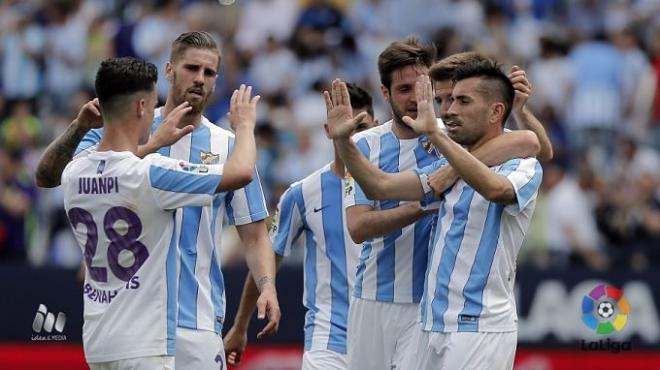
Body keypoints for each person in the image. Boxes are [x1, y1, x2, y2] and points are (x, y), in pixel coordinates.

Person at [34, 32, 280, 370]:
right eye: (191, 68)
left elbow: (254, 234)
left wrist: (267, 286)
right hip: (134, 320)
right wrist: (82, 127)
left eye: (208, 73)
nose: (199, 79)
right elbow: (49, 175)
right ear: (169, 70)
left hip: (197, 320)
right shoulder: (123, 128)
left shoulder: (226, 145)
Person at [339, 38, 543, 370]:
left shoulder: (520, 164)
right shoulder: (442, 162)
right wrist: (342, 143)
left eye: (461, 101)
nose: (448, 110)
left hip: (481, 323)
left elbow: (503, 178)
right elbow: (380, 185)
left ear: (495, 111)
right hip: (432, 320)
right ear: (385, 92)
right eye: (445, 100)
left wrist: (436, 139)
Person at [223, 83, 378, 368]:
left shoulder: (397, 188)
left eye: (361, 126)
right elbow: (267, 257)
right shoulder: (303, 193)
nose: (352, 135)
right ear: (327, 130)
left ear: (377, 127)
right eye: (342, 125)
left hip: (385, 339)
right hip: (329, 342)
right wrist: (241, 325)